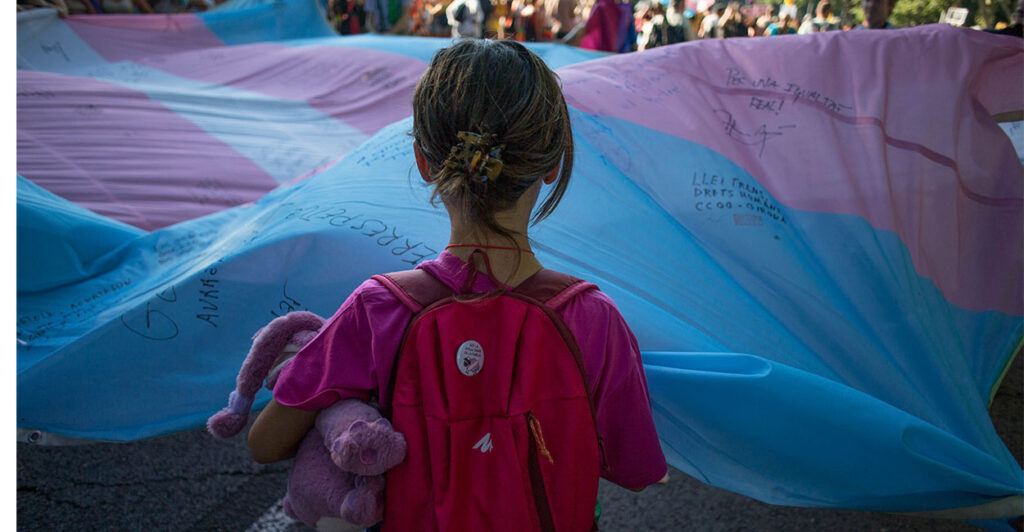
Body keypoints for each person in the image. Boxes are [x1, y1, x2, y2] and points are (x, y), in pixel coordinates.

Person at [248, 39, 668, 530]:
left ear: (425, 163)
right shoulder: (594, 319)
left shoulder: (378, 308)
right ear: (552, 166)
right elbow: (636, 470)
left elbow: (265, 441)